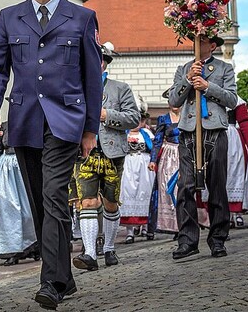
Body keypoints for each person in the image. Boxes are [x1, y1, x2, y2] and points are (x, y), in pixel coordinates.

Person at [0, 0, 103, 310]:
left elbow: (91, 77)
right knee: (41, 203)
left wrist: (90, 129)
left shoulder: (81, 17)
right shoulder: (9, 17)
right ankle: (65, 276)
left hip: (65, 122)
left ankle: (50, 283)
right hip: (25, 121)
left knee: (52, 196)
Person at [167, 34, 238, 260]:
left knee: (216, 185)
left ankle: (218, 239)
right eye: (194, 41)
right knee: (185, 186)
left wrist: (207, 87)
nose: (196, 45)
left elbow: (232, 100)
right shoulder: (184, 68)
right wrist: (188, 80)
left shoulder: (224, 69)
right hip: (189, 131)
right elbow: (173, 100)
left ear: (212, 46)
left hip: (214, 130)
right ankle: (187, 240)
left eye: (202, 41)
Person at [71, 42, 139, 270]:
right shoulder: (75, 88)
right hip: (84, 153)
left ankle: (109, 248)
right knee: (87, 201)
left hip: (112, 153)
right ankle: (90, 253)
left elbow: (133, 118)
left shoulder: (121, 88)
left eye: (96, 59)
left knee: (110, 203)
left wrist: (105, 114)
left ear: (103, 63)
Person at [0, 122, 39, 265]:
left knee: (28, 208)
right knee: (9, 208)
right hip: (7, 172)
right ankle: (13, 249)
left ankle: (33, 245)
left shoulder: (31, 122)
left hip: (25, 167)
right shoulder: (4, 126)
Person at [119, 103, 154, 242]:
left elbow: (153, 148)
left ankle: (146, 227)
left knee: (145, 191)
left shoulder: (146, 134)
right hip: (128, 165)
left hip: (144, 165)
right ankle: (130, 231)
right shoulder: (124, 134)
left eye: (140, 120)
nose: (137, 123)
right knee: (128, 192)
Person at [223, 97, 248, 227]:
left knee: (234, 175)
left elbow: (244, 122)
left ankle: (236, 212)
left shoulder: (235, 99)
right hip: (211, 136)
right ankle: (221, 216)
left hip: (232, 139)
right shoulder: (204, 93)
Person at [149, 91, 181, 237]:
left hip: (184, 155)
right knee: (168, 189)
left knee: (183, 189)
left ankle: (184, 222)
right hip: (168, 158)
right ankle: (173, 225)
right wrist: (153, 160)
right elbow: (157, 140)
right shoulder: (163, 119)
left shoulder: (187, 117)